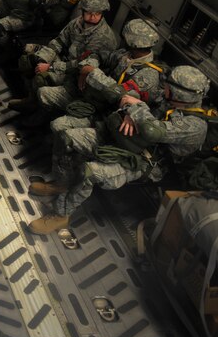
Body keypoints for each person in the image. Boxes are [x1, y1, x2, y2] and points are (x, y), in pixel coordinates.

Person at [28, 66, 210, 235]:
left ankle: (61, 215)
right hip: (125, 139)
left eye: (170, 88)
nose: (165, 90)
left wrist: (136, 109)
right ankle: (62, 184)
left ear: (180, 94)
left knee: (89, 172)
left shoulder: (195, 126)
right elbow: (128, 96)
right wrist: (131, 110)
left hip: (144, 161)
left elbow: (152, 131)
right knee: (65, 138)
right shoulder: (168, 99)